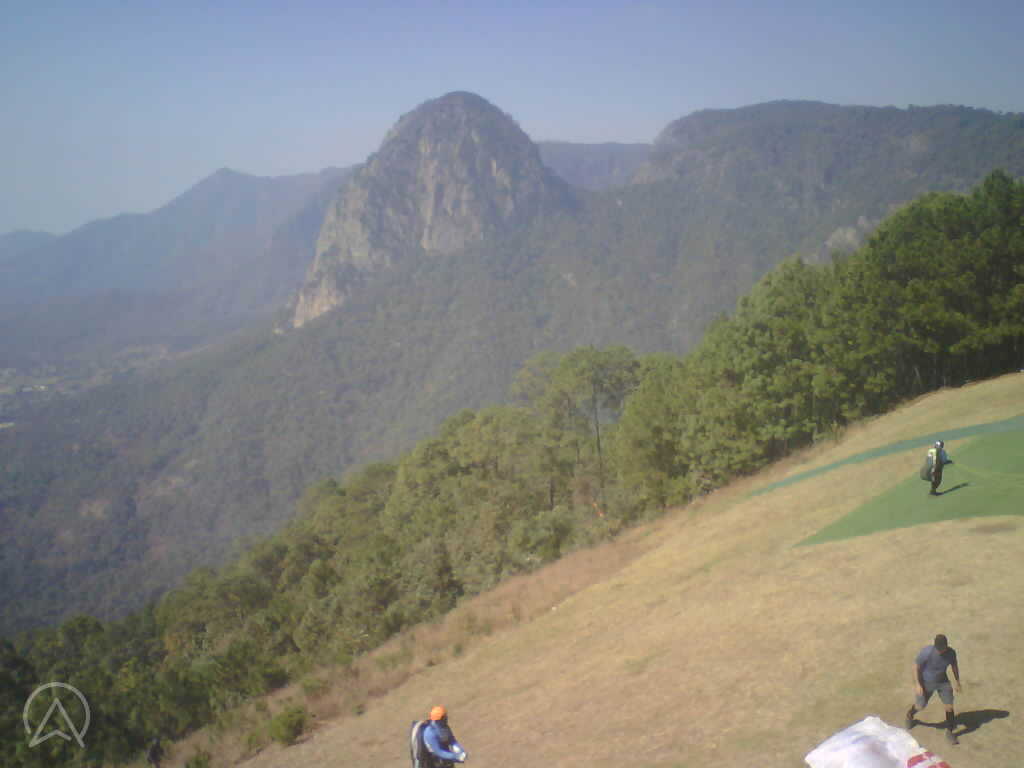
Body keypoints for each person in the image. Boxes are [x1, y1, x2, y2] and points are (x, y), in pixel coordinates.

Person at [905, 634, 962, 744]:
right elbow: (915, 666)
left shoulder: (951, 653)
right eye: (939, 649)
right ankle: (910, 715)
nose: (941, 651)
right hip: (926, 683)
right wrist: (918, 684)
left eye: (943, 648)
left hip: (943, 682)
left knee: (949, 707)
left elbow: (954, 665)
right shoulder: (927, 652)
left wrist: (957, 681)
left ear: (946, 645)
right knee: (920, 706)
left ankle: (950, 732)